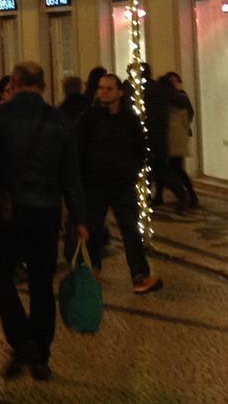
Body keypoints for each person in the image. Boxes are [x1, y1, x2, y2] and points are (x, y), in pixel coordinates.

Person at [0, 61, 87, 382]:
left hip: (8, 213)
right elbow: (71, 176)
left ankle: (21, 339)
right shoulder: (60, 120)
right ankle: (41, 354)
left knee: (0, 275)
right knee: (41, 283)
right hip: (46, 213)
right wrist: (79, 218)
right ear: (44, 85)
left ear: (14, 81)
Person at [74, 74, 162, 294]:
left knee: (131, 231)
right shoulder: (87, 119)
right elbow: (77, 149)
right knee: (92, 230)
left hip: (122, 185)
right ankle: (91, 271)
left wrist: (133, 170)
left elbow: (140, 148)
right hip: (94, 184)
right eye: (101, 88)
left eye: (109, 88)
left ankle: (139, 275)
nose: (103, 92)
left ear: (119, 92)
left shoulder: (129, 120)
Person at [141, 64, 191, 212]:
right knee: (161, 169)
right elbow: (182, 102)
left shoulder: (134, 90)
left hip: (143, 135)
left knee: (148, 170)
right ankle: (183, 196)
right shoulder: (160, 89)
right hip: (159, 135)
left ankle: (146, 199)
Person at [162, 71, 199, 209]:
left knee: (175, 168)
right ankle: (187, 195)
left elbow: (187, 115)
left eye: (175, 80)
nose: (173, 83)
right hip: (176, 137)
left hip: (175, 137)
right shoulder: (177, 97)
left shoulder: (178, 97)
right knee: (174, 168)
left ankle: (187, 195)